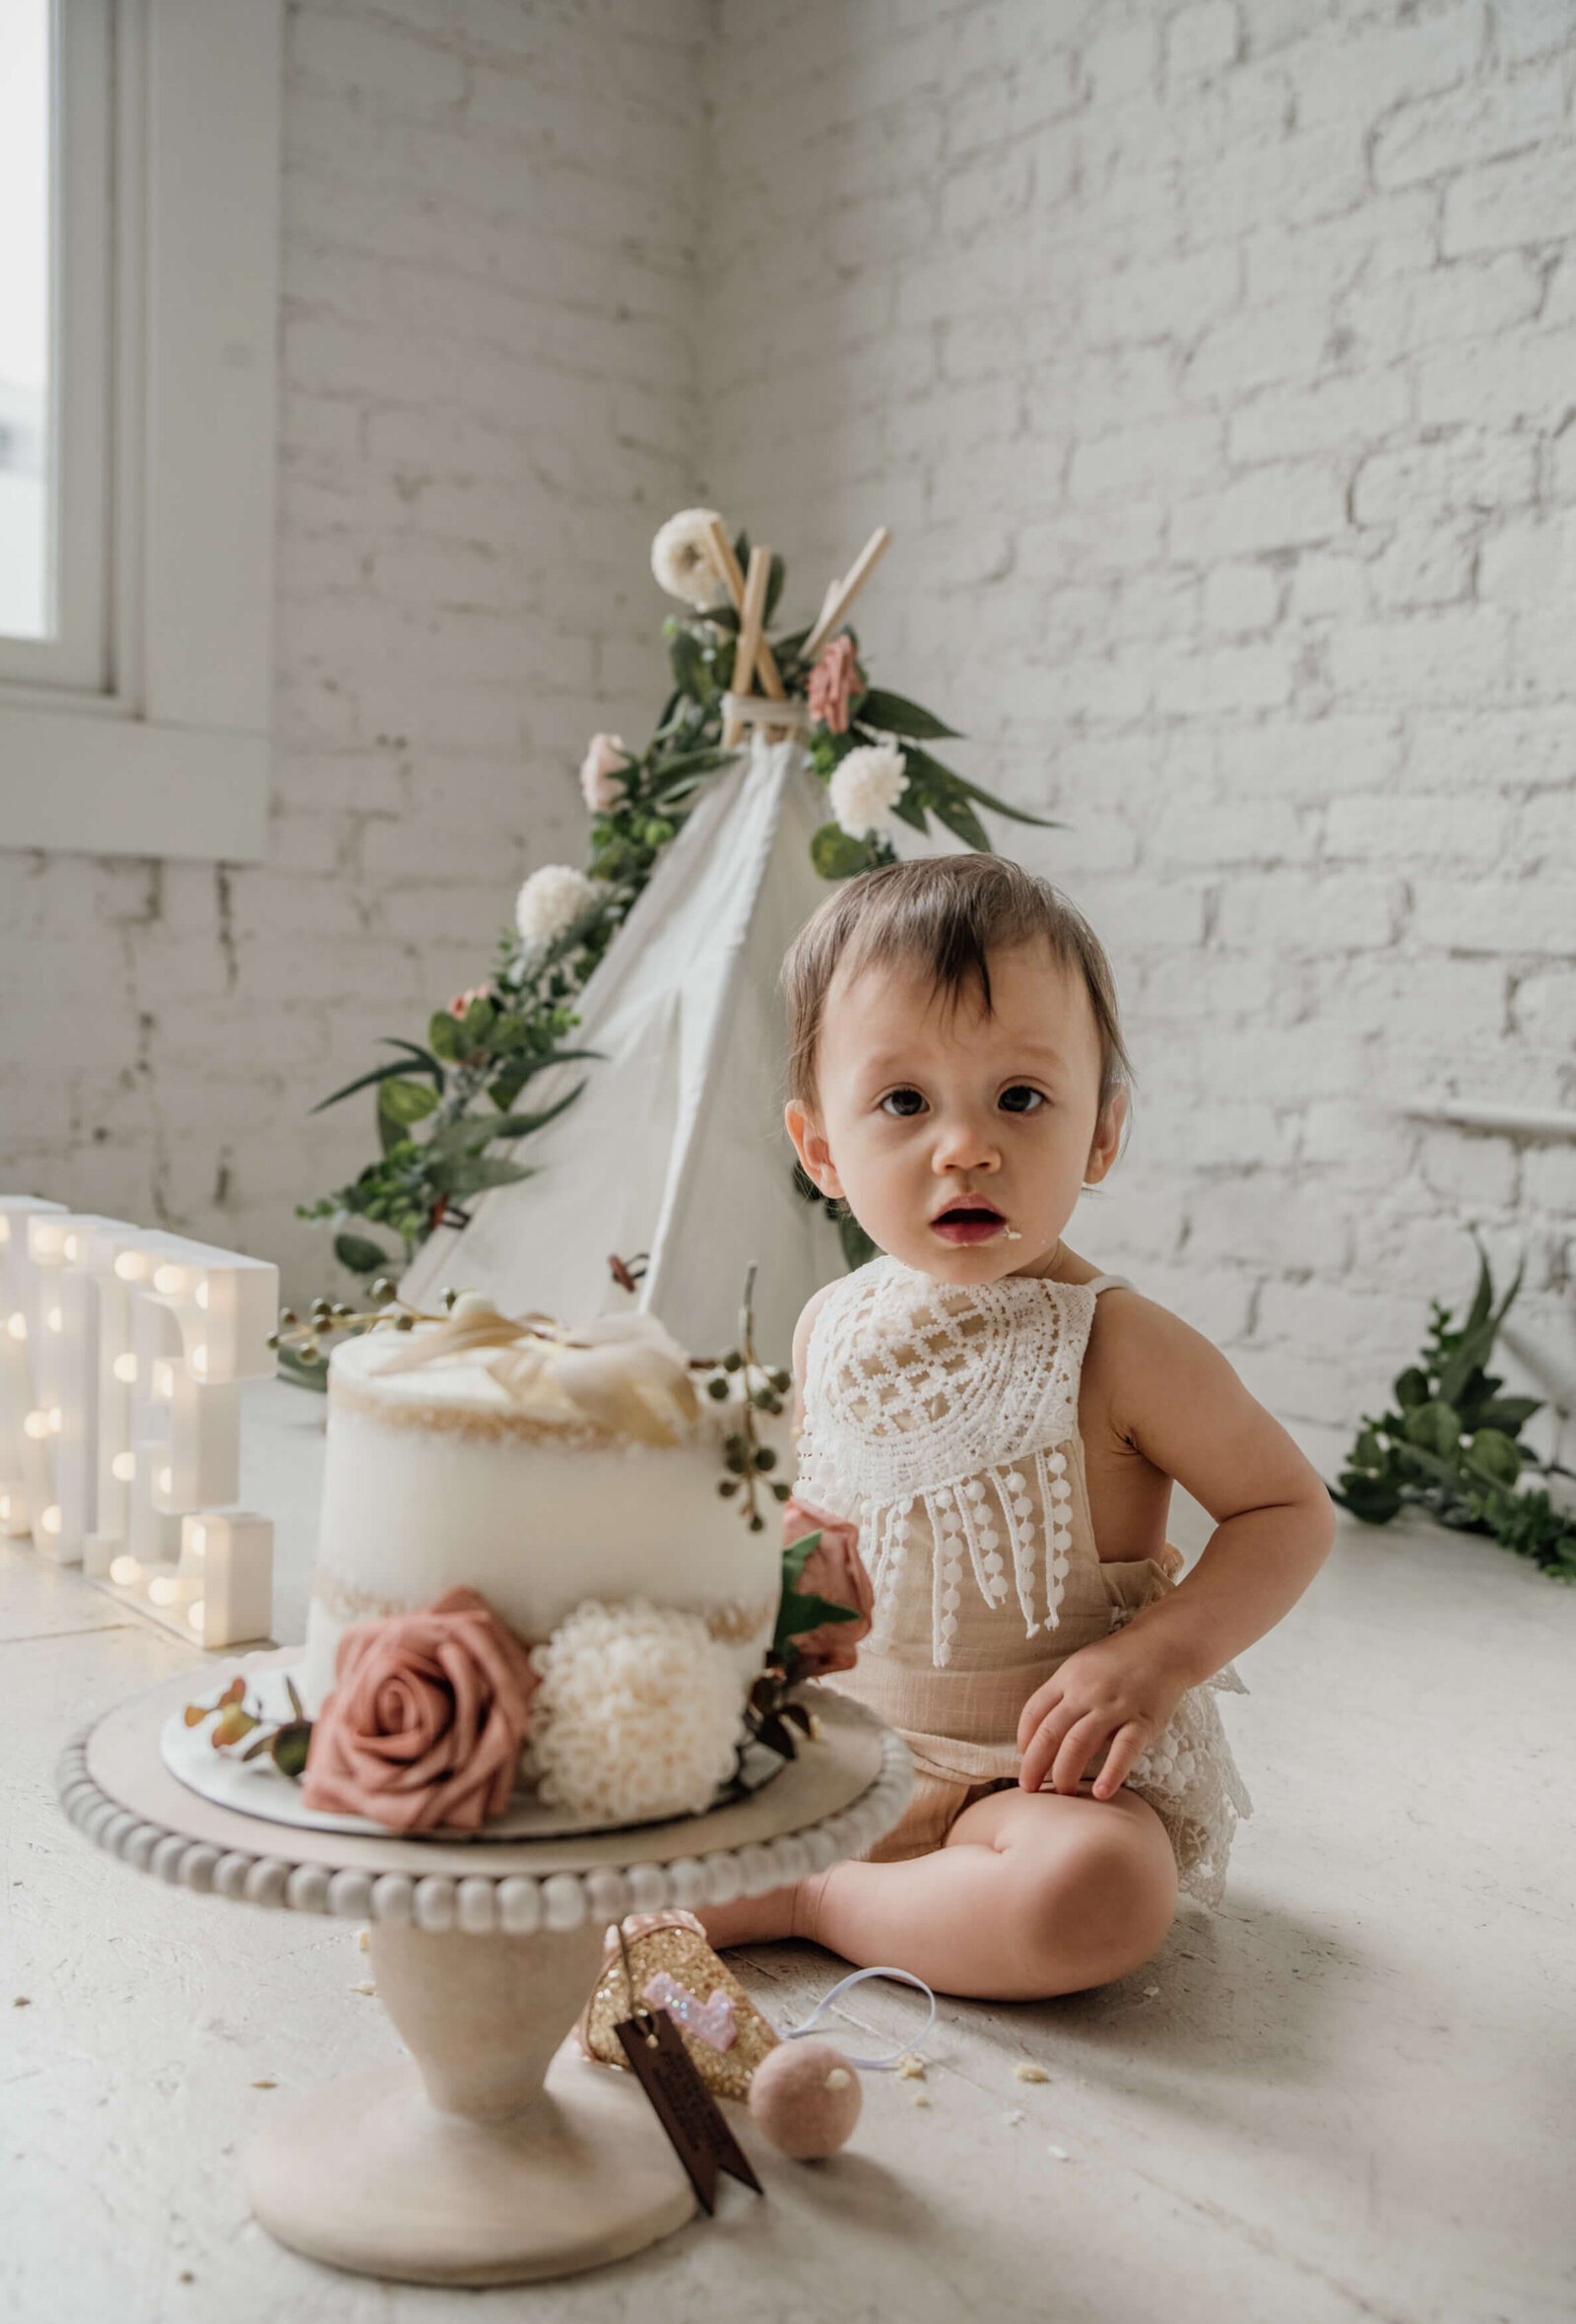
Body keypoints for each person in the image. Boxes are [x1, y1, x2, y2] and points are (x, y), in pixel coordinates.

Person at [699, 854, 1334, 2002]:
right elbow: (821, 1510)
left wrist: (1154, 1657)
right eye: (903, 1102)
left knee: (1093, 1895)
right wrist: (784, 1596)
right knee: (608, 1771)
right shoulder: (829, 1322)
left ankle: (811, 1897)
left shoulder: (1120, 1344)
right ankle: (821, 1857)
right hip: (848, 1739)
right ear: (821, 1150)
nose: (964, 1146)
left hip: (1034, 1782)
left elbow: (1286, 1511)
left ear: (1102, 1131)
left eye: (1020, 1098)